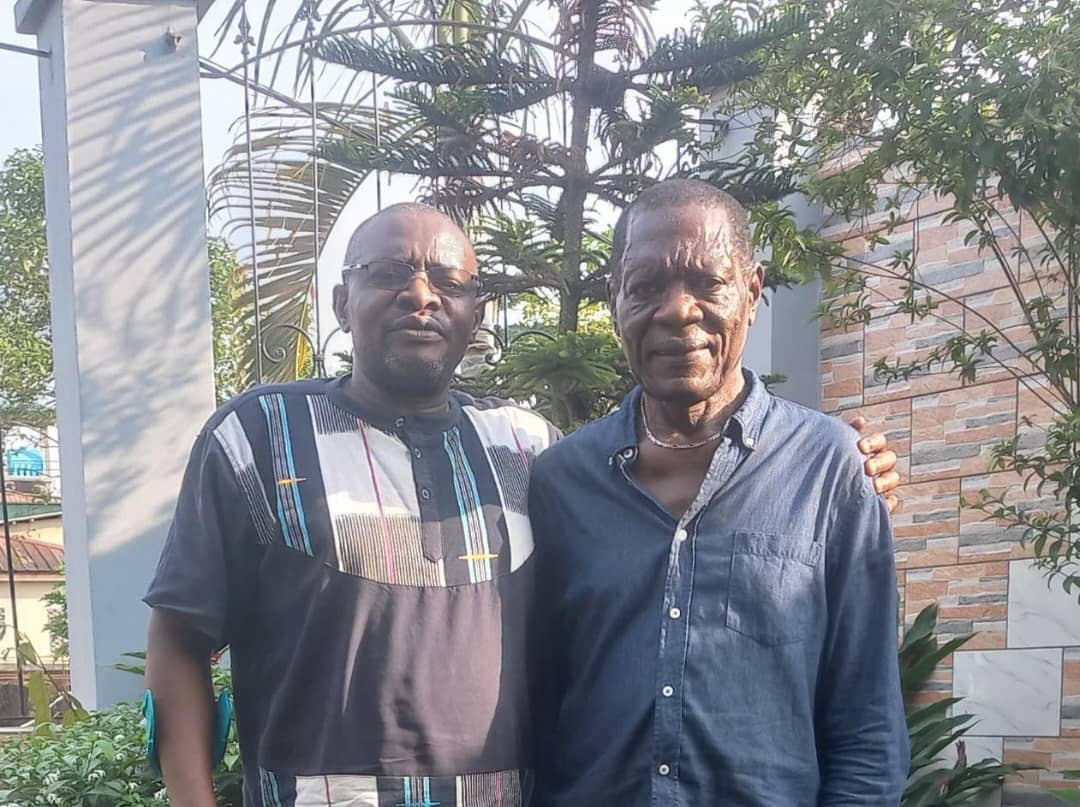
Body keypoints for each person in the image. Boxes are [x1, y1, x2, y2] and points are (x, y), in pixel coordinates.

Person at [144, 201, 898, 807]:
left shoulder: (526, 448)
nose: (421, 295)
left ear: (476, 313)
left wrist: (845, 468)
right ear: (342, 301)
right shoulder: (259, 437)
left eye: (449, 280)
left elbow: (865, 714)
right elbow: (179, 637)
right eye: (389, 272)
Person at [528, 179, 910, 806]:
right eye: (645, 286)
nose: (678, 311)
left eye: (708, 283)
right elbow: (536, 708)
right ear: (615, 299)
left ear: (752, 292)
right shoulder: (561, 483)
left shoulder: (832, 471)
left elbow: (868, 726)